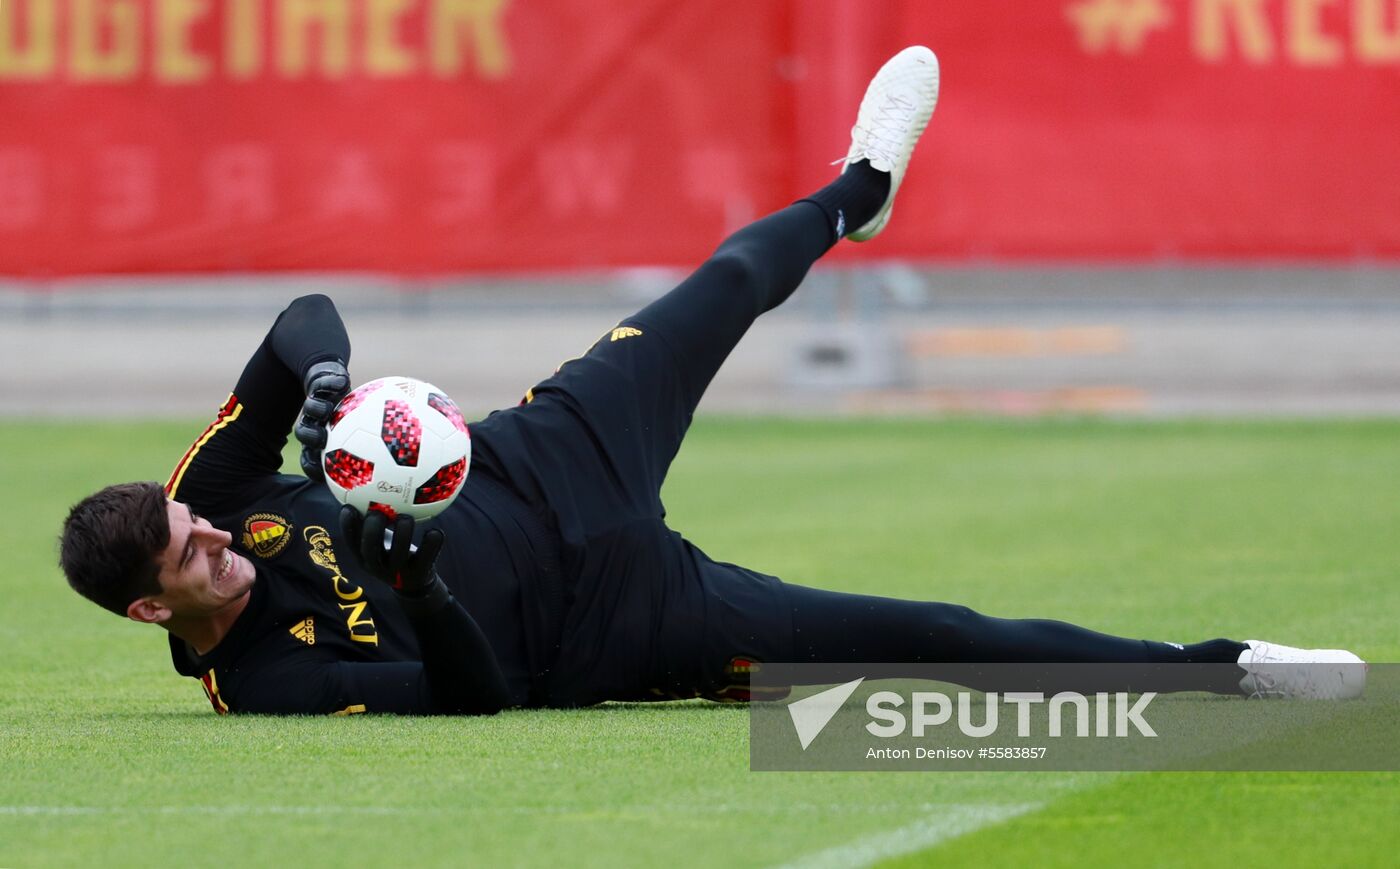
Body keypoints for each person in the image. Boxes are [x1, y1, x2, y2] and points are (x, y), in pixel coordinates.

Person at [58, 47, 1364, 716]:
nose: (220, 531)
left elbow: (298, 318)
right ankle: (1222, 671)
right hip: (609, 619)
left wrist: (334, 386)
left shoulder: (216, 481)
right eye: (193, 551)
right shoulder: (266, 684)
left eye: (201, 519)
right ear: (146, 610)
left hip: (545, 451)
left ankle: (860, 191)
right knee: (929, 634)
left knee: (724, 284)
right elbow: (473, 699)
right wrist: (412, 578)